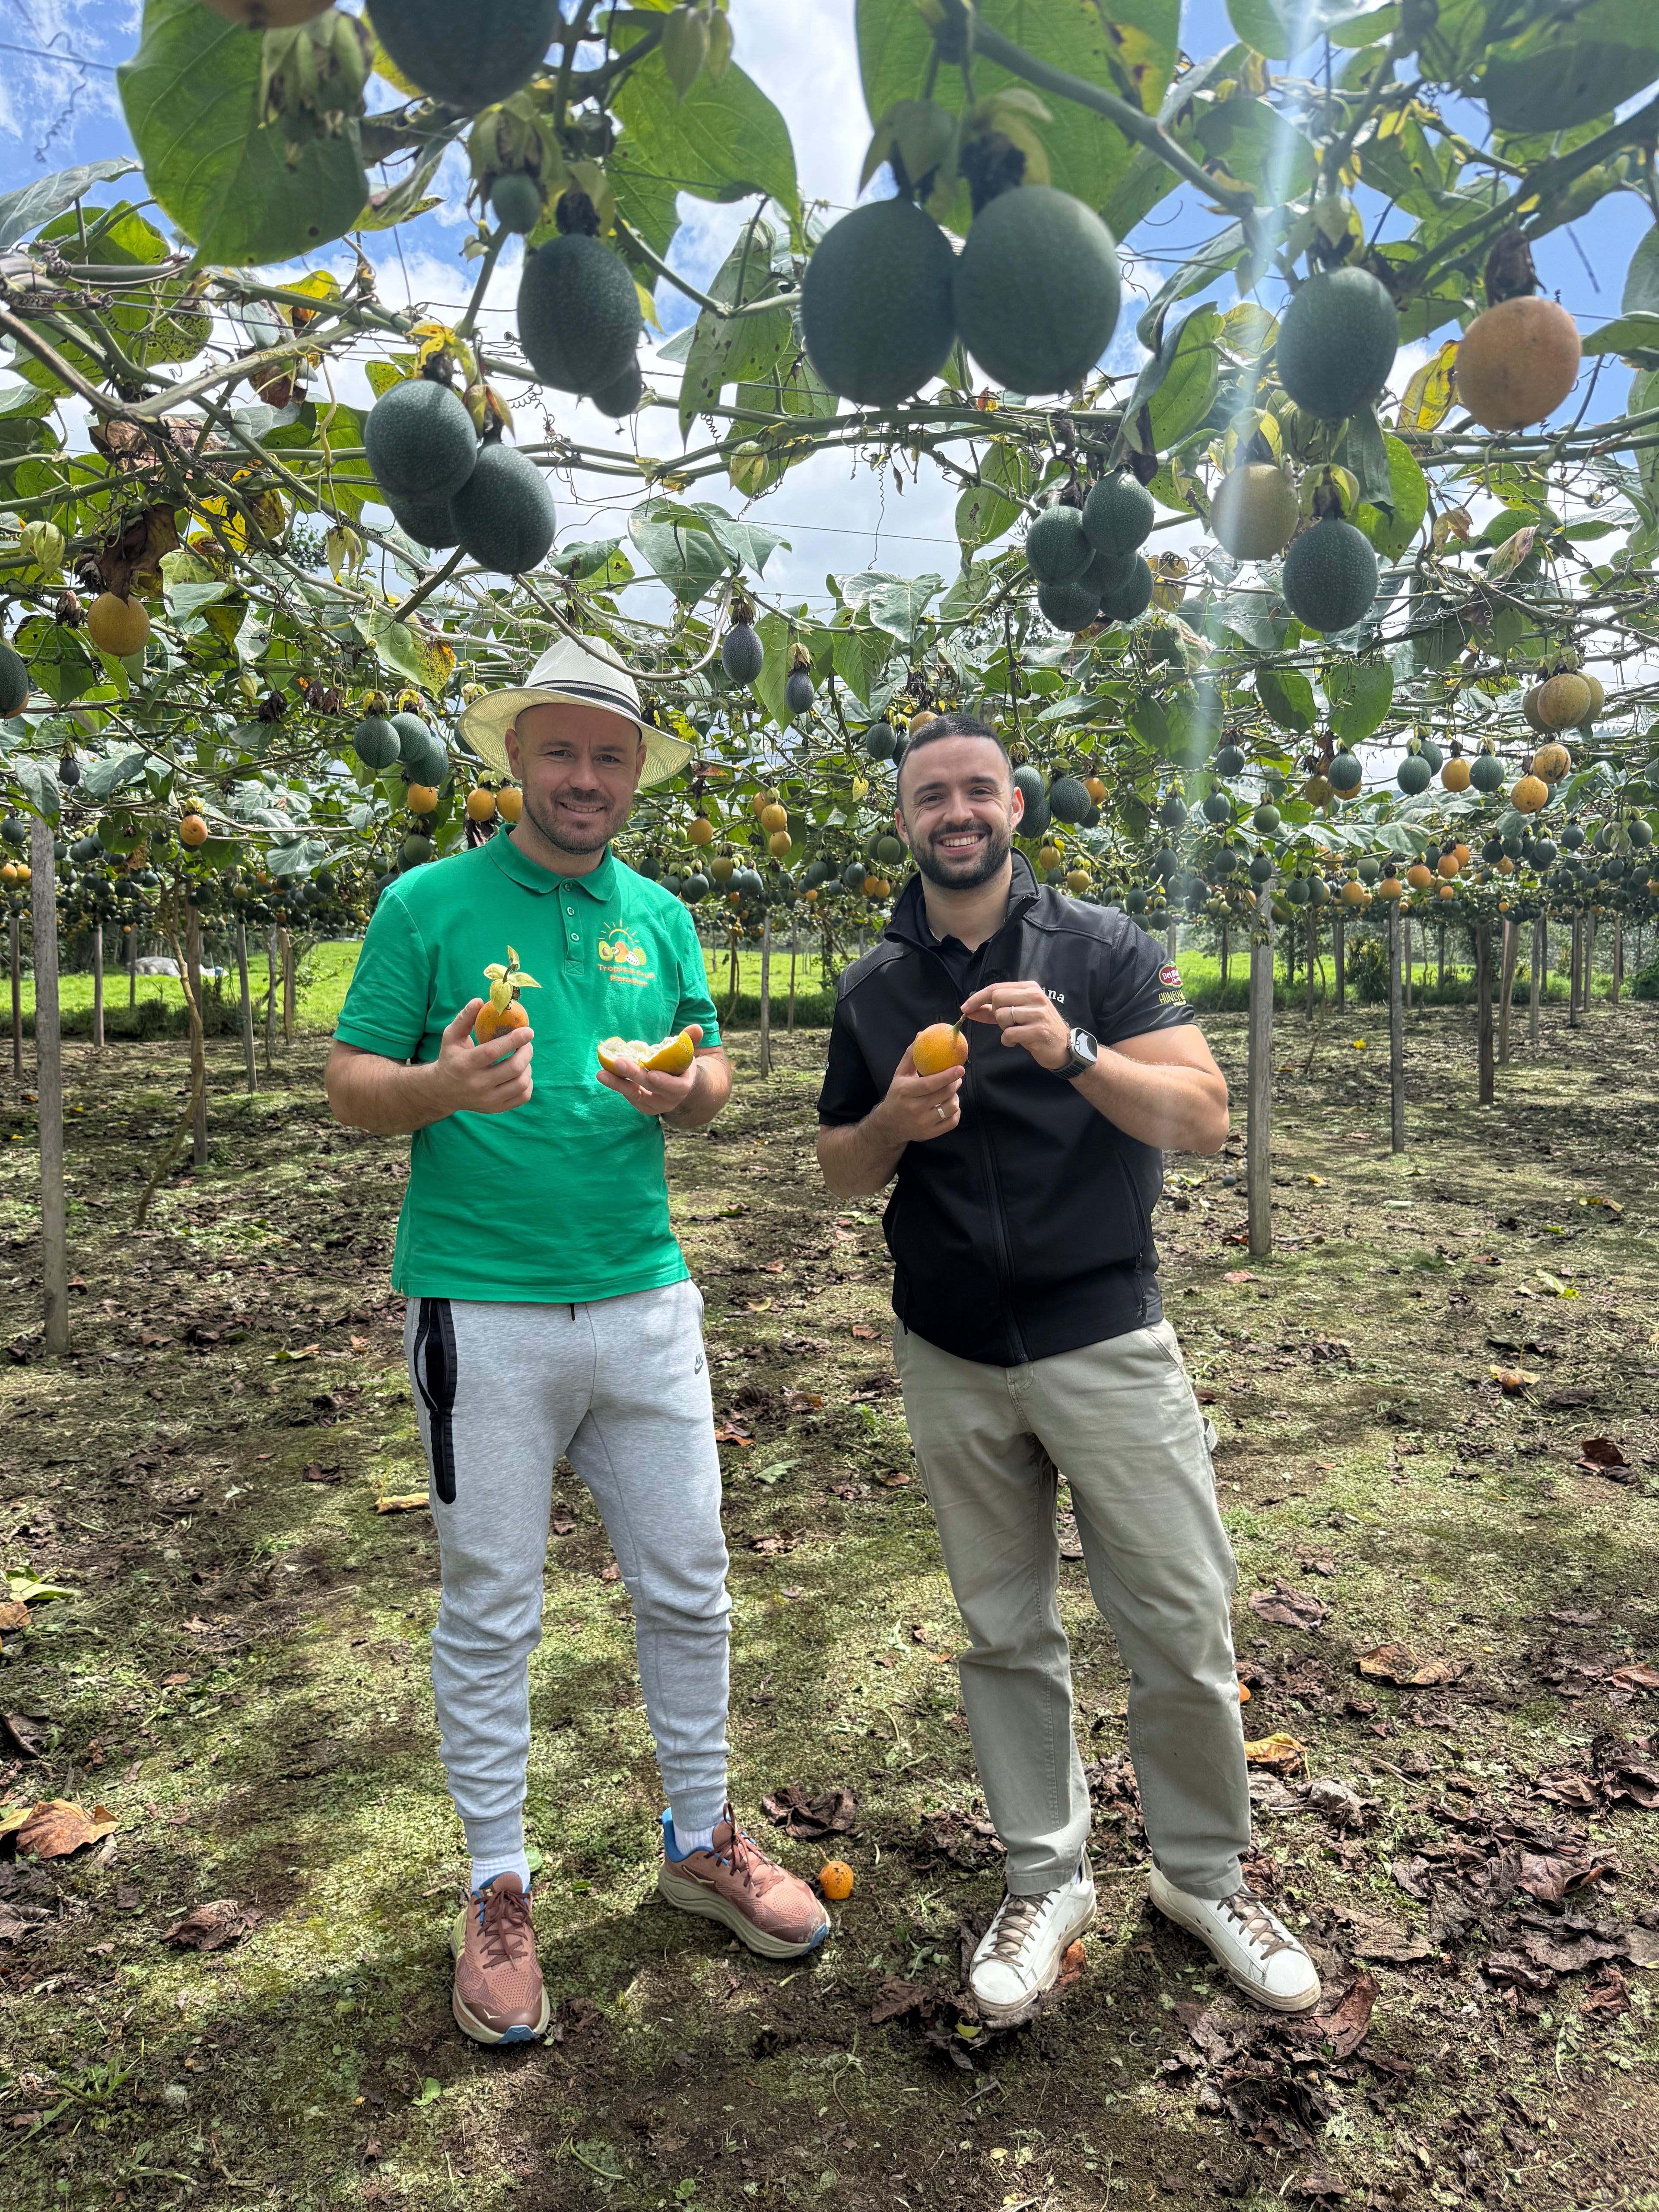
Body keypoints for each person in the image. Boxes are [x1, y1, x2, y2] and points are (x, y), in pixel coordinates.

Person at [325, 635, 828, 2047]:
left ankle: (701, 1834)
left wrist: (688, 1091)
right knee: (492, 1603)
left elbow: (711, 1058)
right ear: (515, 761)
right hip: (478, 1306)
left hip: (644, 1298)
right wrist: (441, 1085)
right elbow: (352, 1084)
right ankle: (497, 1885)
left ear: (634, 774)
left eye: (611, 755)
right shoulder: (427, 904)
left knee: (691, 1583)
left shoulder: (660, 914)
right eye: (562, 751)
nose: (586, 776)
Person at [815, 713, 1320, 2024]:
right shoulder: (875, 988)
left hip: (1105, 1337)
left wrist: (1076, 1050)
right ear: (907, 819)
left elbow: (1205, 1119)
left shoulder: (1103, 950)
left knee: (1180, 1625)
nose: (957, 811)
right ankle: (1048, 1877)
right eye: (932, 795)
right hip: (953, 1353)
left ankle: (1206, 1876)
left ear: (1017, 807)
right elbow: (837, 1167)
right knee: (1005, 1634)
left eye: (979, 788)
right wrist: (893, 1119)